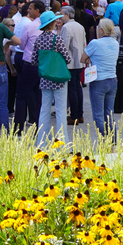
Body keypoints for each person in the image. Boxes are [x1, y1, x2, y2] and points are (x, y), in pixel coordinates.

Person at [31, 10, 71, 148]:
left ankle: (41, 143)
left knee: (44, 110)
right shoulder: (57, 39)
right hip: (59, 78)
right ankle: (62, 143)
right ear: (53, 23)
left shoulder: (38, 39)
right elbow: (68, 58)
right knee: (60, 111)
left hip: (45, 78)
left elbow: (34, 60)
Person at [82, 18, 121, 137]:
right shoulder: (115, 42)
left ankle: (103, 141)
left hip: (98, 80)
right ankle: (112, 142)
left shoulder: (95, 43)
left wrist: (91, 59)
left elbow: (82, 58)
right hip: (112, 79)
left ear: (102, 30)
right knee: (109, 113)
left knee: (98, 115)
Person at [13, 1, 46, 130]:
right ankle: (38, 124)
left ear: (37, 11)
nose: (28, 11)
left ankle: (18, 127)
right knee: (38, 96)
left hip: (30, 63)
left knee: (21, 95)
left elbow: (21, 45)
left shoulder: (30, 26)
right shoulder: (48, 27)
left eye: (31, 9)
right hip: (42, 65)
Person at [58, 6, 86, 127]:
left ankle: (74, 115)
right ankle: (79, 114)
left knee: (72, 89)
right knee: (78, 88)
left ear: (68, 15)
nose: (60, 16)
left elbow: (64, 45)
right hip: (79, 60)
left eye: (62, 14)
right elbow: (84, 43)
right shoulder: (80, 26)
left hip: (70, 62)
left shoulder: (66, 27)